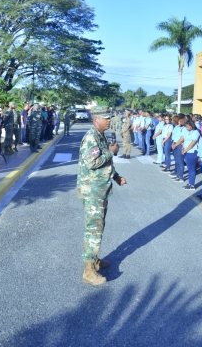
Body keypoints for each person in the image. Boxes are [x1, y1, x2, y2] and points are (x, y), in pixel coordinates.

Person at [78, 106, 127, 286]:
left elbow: (105, 165)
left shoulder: (100, 135)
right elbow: (92, 163)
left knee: (98, 227)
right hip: (92, 191)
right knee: (93, 230)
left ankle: (94, 260)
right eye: (105, 118)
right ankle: (88, 271)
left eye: (109, 118)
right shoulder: (91, 137)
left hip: (100, 189)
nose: (108, 120)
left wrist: (116, 177)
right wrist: (110, 151)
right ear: (96, 118)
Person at [181, 119, 200, 190]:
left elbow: (193, 142)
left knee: (192, 169)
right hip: (186, 152)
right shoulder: (187, 132)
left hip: (192, 152)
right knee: (189, 168)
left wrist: (186, 150)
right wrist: (183, 148)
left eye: (188, 126)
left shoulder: (195, 132)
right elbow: (184, 140)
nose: (187, 128)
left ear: (192, 125)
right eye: (186, 126)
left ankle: (192, 185)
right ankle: (189, 183)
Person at [171, 116, 186, 183]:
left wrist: (176, 144)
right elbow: (173, 136)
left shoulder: (184, 129)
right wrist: (173, 143)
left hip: (179, 145)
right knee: (177, 161)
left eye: (180, 121)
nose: (178, 122)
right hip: (174, 144)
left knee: (180, 162)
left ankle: (181, 176)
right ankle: (177, 174)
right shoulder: (176, 127)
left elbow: (182, 139)